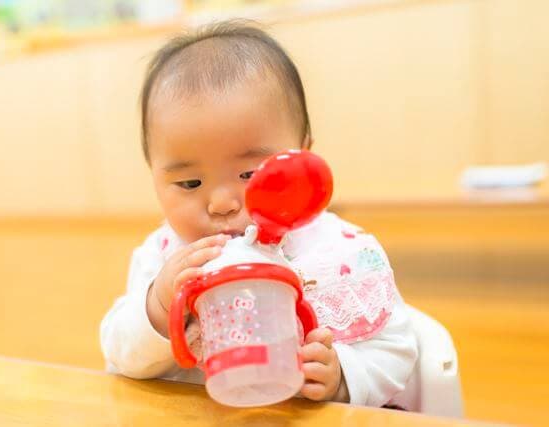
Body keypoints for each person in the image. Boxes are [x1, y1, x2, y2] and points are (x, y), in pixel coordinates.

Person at [101, 20, 417, 406]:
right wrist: (160, 307)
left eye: (250, 174)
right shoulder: (165, 256)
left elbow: (398, 347)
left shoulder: (338, 251)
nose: (221, 204)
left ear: (303, 155)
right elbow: (121, 357)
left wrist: (344, 376)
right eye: (189, 184)